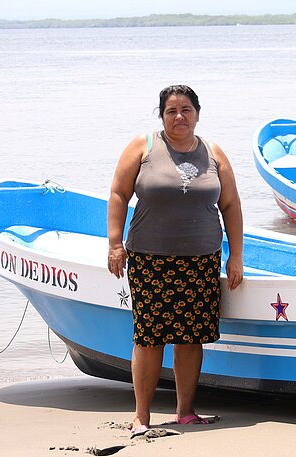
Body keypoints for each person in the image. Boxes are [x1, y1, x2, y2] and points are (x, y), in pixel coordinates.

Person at [107, 84, 244, 437]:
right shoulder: (144, 147)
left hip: (201, 260)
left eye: (186, 109)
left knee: (190, 336)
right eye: (171, 111)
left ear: (197, 113)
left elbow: (230, 205)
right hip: (150, 259)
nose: (179, 116)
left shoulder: (213, 152)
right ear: (161, 115)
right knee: (149, 337)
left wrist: (236, 257)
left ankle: (186, 412)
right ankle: (142, 416)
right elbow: (119, 194)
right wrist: (115, 244)